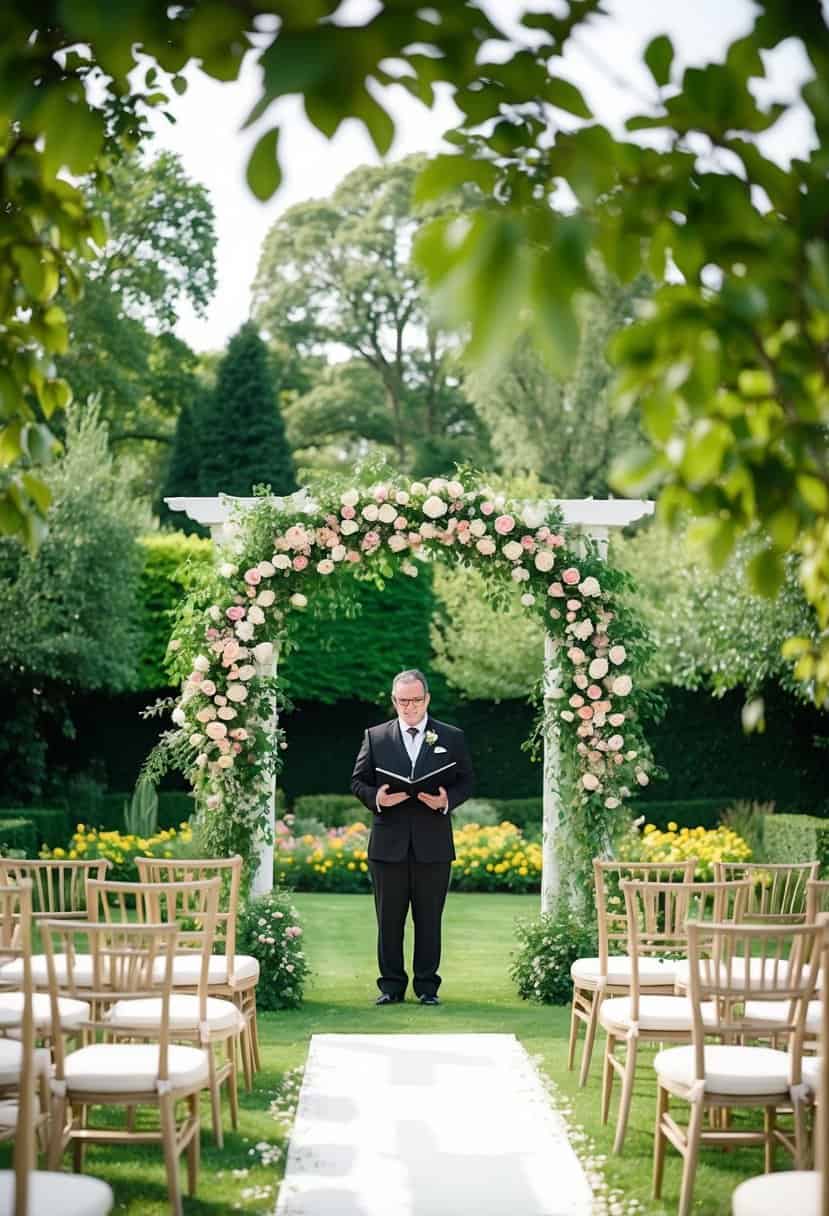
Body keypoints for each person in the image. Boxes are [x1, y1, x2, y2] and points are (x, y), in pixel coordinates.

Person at [351, 668, 474, 1006]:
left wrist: (445, 800)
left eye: (416, 701)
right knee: (388, 920)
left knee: (429, 920)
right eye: (403, 702)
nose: (409, 708)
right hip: (387, 844)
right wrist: (378, 798)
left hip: (433, 843)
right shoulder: (375, 737)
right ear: (394, 701)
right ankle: (391, 987)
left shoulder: (451, 737)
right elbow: (357, 781)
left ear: (427, 699)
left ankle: (427, 988)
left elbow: (466, 781)